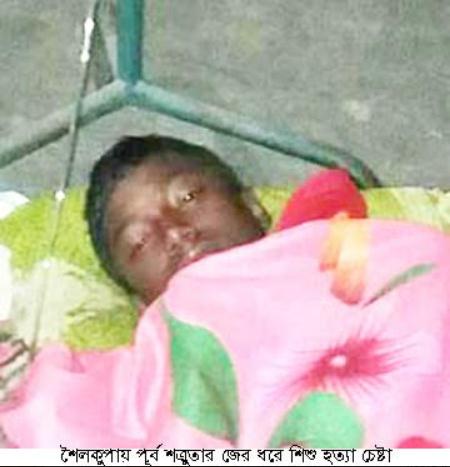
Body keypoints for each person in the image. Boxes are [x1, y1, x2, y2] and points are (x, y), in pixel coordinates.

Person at [85, 135, 268, 305]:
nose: (175, 233)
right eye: (141, 241)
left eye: (188, 197)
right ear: (141, 304)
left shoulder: (288, 252)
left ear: (251, 204)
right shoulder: (155, 330)